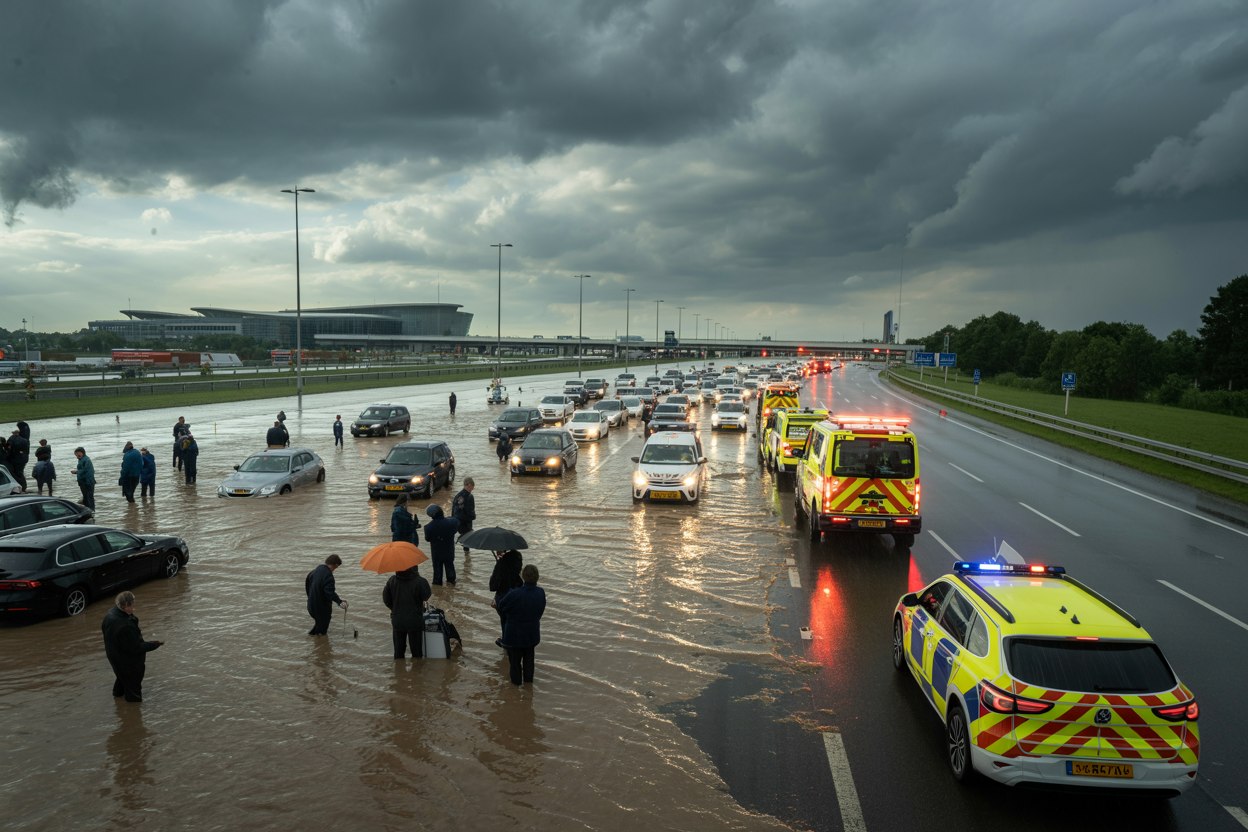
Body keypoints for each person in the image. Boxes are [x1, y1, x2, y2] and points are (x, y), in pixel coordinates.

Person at [101, 591, 163, 702]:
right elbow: (136, 648)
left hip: (114, 656)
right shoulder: (126, 626)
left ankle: (118, 697)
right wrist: (154, 645)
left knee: (121, 677)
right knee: (133, 687)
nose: (134, 607)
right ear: (125, 606)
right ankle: (132, 710)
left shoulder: (110, 614)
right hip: (128, 662)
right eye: (132, 605)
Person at [498, 564, 546, 686]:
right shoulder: (541, 593)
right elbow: (540, 611)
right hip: (532, 634)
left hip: (514, 636)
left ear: (523, 576)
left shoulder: (514, 594)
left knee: (515, 664)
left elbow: (502, 607)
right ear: (537, 577)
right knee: (529, 661)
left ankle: (516, 688)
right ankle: (528, 688)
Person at [383, 566, 431, 659]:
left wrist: (394, 609)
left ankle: (399, 671)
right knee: (417, 653)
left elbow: (386, 599)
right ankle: (416, 671)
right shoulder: (420, 581)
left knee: (398, 652)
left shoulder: (392, 581)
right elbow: (426, 596)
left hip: (398, 620)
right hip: (415, 620)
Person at [489, 549, 524, 647]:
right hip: (517, 594)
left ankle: (506, 642)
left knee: (505, 620)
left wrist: (498, 565)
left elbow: (493, 586)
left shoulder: (501, 563)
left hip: (503, 597)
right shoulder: (518, 557)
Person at [305, 554, 347, 635]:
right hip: (321, 609)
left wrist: (310, 598)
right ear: (335, 565)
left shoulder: (315, 571)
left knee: (318, 625)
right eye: (336, 567)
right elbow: (329, 593)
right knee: (322, 631)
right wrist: (339, 602)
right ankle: (319, 644)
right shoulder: (329, 576)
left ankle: (312, 641)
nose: (335, 569)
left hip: (310, 606)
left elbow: (307, 584)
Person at [424, 504, 460, 586]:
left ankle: (438, 592)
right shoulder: (452, 522)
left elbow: (427, 539)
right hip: (449, 551)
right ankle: (451, 587)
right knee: (450, 570)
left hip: (436, 553)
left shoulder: (428, 527)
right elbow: (457, 523)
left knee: (437, 574)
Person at [452, 477, 476, 556]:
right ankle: (467, 559)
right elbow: (470, 511)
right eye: (472, 486)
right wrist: (473, 516)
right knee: (467, 543)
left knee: (463, 541)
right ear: (469, 485)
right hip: (465, 523)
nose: (472, 489)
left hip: (456, 522)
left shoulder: (457, 496)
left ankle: (466, 560)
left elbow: (453, 510)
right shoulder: (469, 496)